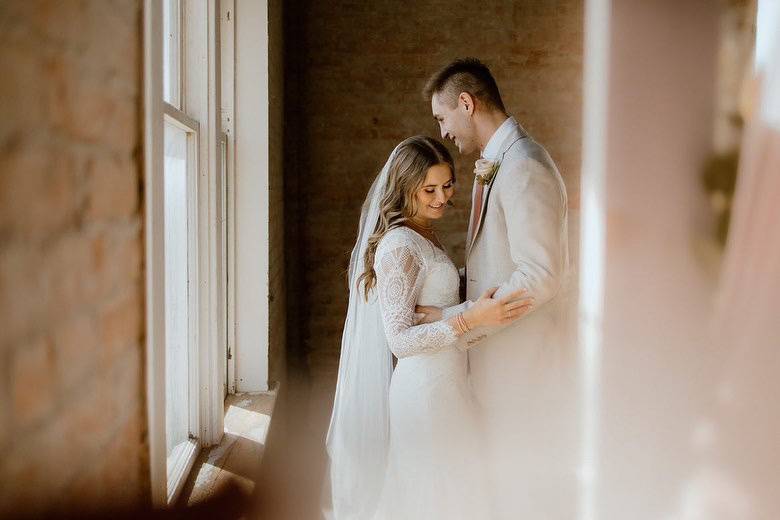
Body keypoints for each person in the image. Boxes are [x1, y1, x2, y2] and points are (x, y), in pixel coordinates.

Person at [324, 135, 532, 520]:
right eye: (429, 190)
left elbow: (434, 300)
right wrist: (470, 317)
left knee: (454, 492)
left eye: (447, 185)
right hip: (424, 393)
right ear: (405, 189)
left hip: (447, 384)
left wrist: (444, 312)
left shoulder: (422, 232)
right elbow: (399, 340)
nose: (441, 198)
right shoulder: (400, 245)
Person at [419, 58, 575, 519]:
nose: (444, 131)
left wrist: (464, 320)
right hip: (501, 368)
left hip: (523, 371)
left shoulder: (525, 166)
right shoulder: (501, 163)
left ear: (467, 104)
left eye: (443, 118)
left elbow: (541, 274)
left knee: (523, 496)